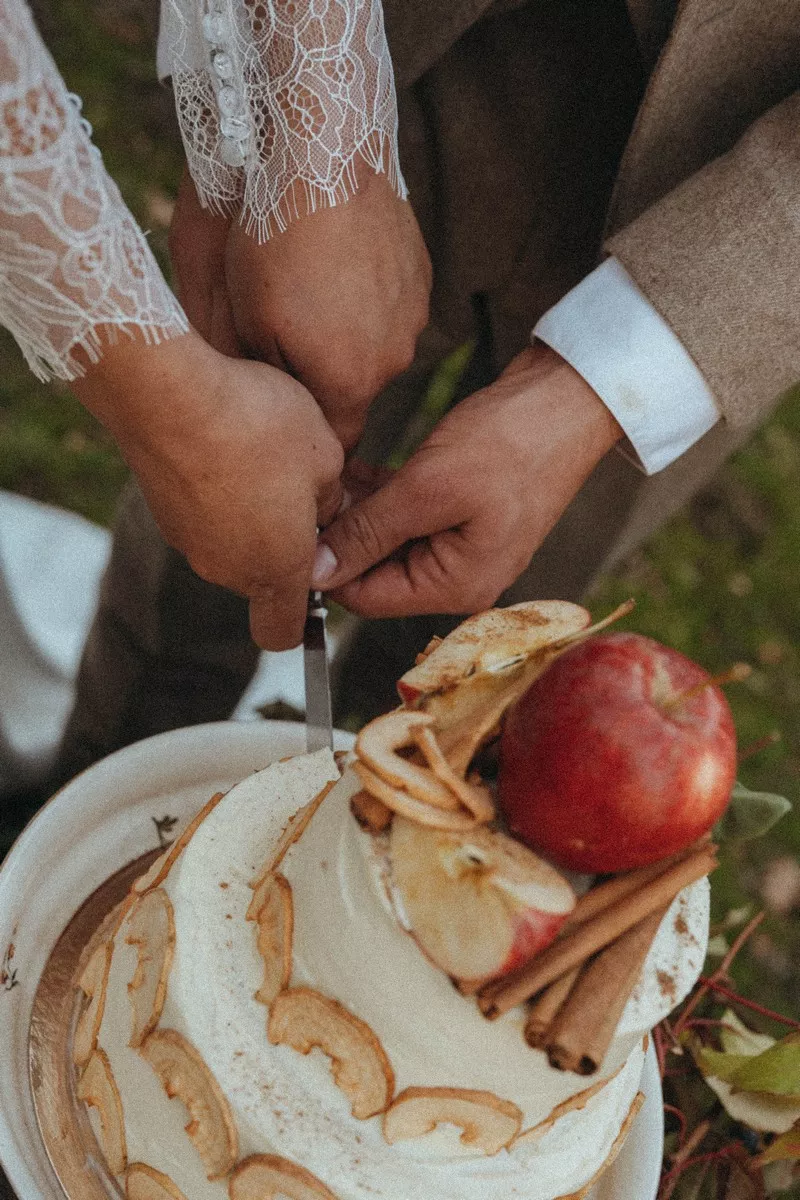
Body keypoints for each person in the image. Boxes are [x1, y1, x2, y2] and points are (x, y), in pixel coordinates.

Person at [26, 1, 800, 770]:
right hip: (407, 54)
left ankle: (389, 801)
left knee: (485, 619)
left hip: (740, 203)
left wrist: (610, 388)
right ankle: (103, 783)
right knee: (217, 528)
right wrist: (312, 153)